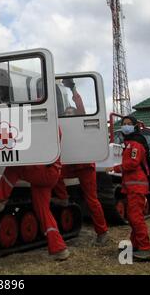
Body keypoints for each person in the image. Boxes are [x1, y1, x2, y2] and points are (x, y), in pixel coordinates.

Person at [0, 129, 70, 261]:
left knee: (15, 167)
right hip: (50, 171)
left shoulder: (47, 124)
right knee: (43, 212)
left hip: (45, 170)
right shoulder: (52, 124)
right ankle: (59, 249)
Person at [52, 78, 110, 246]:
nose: (69, 114)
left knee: (92, 199)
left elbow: (78, 103)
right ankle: (63, 198)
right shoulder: (61, 124)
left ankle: (102, 232)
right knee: (54, 174)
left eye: (72, 112)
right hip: (69, 164)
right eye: (67, 113)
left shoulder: (81, 119)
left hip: (85, 165)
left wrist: (73, 89)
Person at [105, 115, 150, 261]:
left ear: (134, 126)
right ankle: (136, 244)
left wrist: (115, 168)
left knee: (135, 217)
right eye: (124, 123)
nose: (125, 126)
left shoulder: (136, 143)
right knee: (133, 217)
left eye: (128, 124)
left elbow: (132, 163)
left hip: (137, 185)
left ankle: (145, 248)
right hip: (132, 185)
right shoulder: (130, 142)